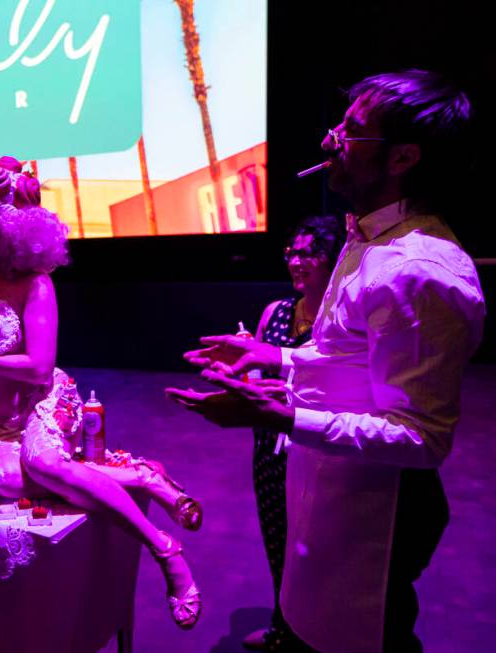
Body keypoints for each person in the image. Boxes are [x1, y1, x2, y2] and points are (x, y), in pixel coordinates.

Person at [168, 70, 485, 652]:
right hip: (334, 488)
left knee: (364, 635)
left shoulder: (420, 269)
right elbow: (351, 361)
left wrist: (284, 417)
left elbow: (421, 438)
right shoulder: (368, 239)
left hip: (380, 512)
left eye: (351, 130)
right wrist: (273, 357)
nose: (328, 140)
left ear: (403, 157)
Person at [0, 157, 203, 628]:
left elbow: (39, 366)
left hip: (45, 399)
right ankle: (139, 477)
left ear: (17, 226)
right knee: (4, 481)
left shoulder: (35, 283)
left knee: (43, 462)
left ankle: (164, 549)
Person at [242, 215, 345, 652]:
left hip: (316, 442)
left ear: (334, 258)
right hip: (271, 444)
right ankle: (282, 627)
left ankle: (321, 634)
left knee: (320, 546)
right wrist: (241, 371)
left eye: (309, 253)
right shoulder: (277, 311)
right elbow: (257, 375)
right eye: (292, 253)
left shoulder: (342, 317)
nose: (297, 262)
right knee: (277, 536)